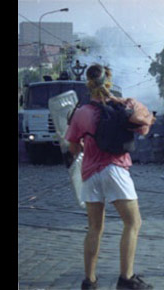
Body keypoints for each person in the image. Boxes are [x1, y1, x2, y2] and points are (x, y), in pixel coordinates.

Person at [66, 64, 154, 289]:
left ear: (88, 84)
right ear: (109, 82)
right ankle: (126, 279)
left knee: (94, 228)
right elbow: (144, 126)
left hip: (90, 173)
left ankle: (90, 281)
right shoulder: (122, 105)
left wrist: (86, 144)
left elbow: (74, 148)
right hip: (115, 169)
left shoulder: (81, 112)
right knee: (133, 222)